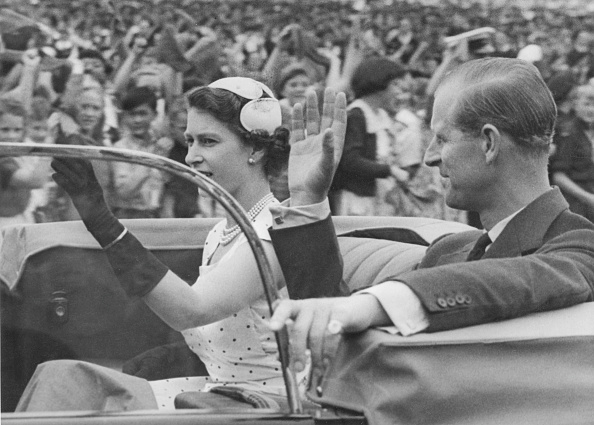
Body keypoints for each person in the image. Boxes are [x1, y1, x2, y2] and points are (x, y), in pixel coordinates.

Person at [15, 77, 346, 411]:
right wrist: (179, 357)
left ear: (257, 149)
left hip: (264, 408)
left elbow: (192, 309)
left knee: (74, 385)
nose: (191, 157)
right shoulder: (221, 232)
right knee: (64, 377)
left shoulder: (275, 232)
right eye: (189, 141)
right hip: (217, 395)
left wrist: (102, 222)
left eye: (208, 141)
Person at [266, 58, 594, 389]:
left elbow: (531, 277)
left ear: (489, 143)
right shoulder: (448, 251)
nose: (429, 156)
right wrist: (307, 197)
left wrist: (373, 304)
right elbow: (336, 336)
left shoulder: (579, 244)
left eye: (442, 138)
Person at [332, 57, 422, 216]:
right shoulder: (357, 115)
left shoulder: (381, 115)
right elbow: (350, 160)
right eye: (394, 84)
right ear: (378, 85)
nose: (398, 90)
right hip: (359, 199)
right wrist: (389, 170)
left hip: (381, 198)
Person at [109, 86, 173, 219]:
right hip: (128, 217)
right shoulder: (119, 148)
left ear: (154, 115)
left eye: (142, 113)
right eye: (132, 114)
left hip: (157, 217)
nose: (137, 120)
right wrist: (152, 159)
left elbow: (169, 186)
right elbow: (124, 192)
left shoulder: (162, 144)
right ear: (124, 117)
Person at [550, 83, 594, 222]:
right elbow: (558, 177)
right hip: (577, 205)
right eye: (586, 104)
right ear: (575, 104)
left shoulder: (590, 132)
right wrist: (588, 198)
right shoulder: (569, 133)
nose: (591, 109)